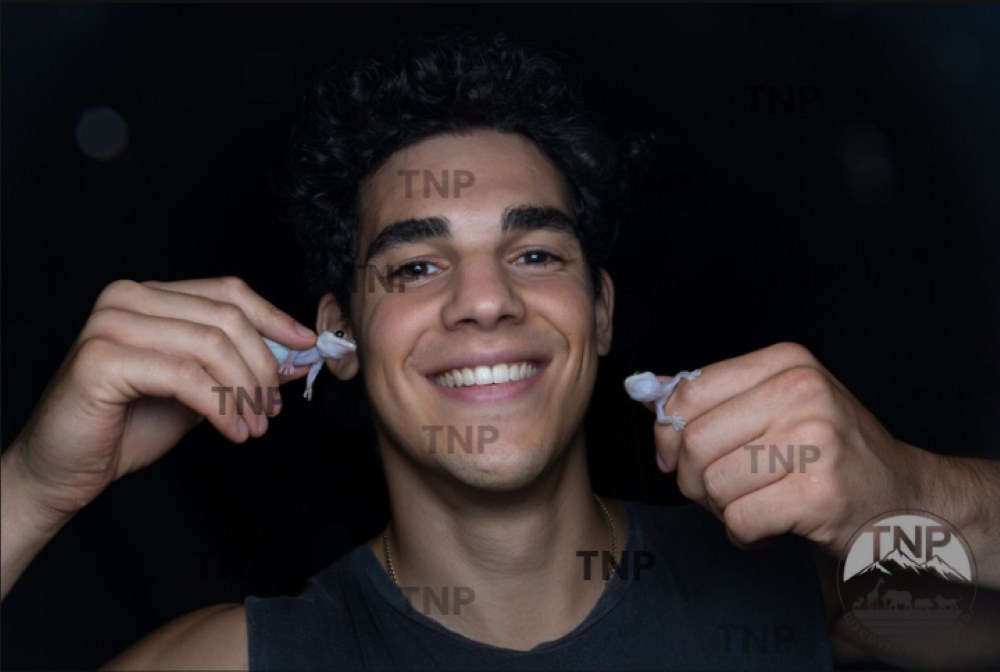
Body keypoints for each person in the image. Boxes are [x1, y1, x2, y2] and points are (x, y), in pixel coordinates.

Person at [2, 30, 998, 670]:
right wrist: (33, 486)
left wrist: (913, 488)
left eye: (531, 251)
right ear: (336, 338)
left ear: (600, 315)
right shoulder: (238, 662)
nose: (484, 301)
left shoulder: (816, 604)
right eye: (416, 268)